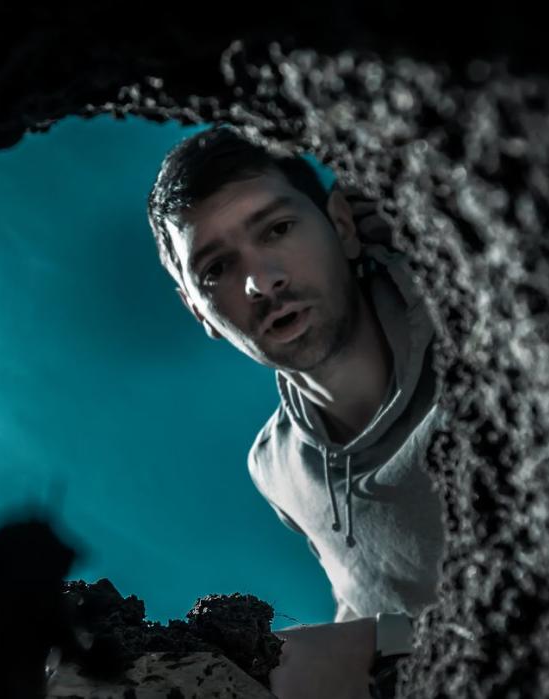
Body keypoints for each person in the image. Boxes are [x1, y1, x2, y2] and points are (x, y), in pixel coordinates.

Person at [145, 125, 446, 699]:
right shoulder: (277, 468)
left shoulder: (479, 341)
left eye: (278, 229)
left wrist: (373, 644)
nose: (261, 282)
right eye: (216, 270)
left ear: (341, 224)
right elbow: (366, 602)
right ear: (199, 311)